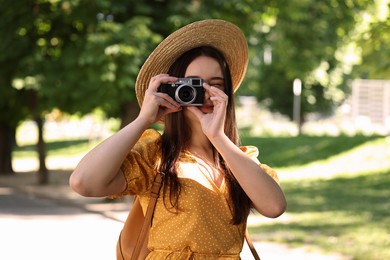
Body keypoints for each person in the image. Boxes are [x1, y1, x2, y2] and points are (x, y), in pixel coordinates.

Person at [70, 19, 287, 259]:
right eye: (193, 85)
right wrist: (143, 119)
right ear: (173, 89)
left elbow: (275, 207)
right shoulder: (156, 156)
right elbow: (83, 182)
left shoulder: (239, 160)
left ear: (226, 95)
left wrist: (218, 137)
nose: (203, 94)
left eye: (215, 85)